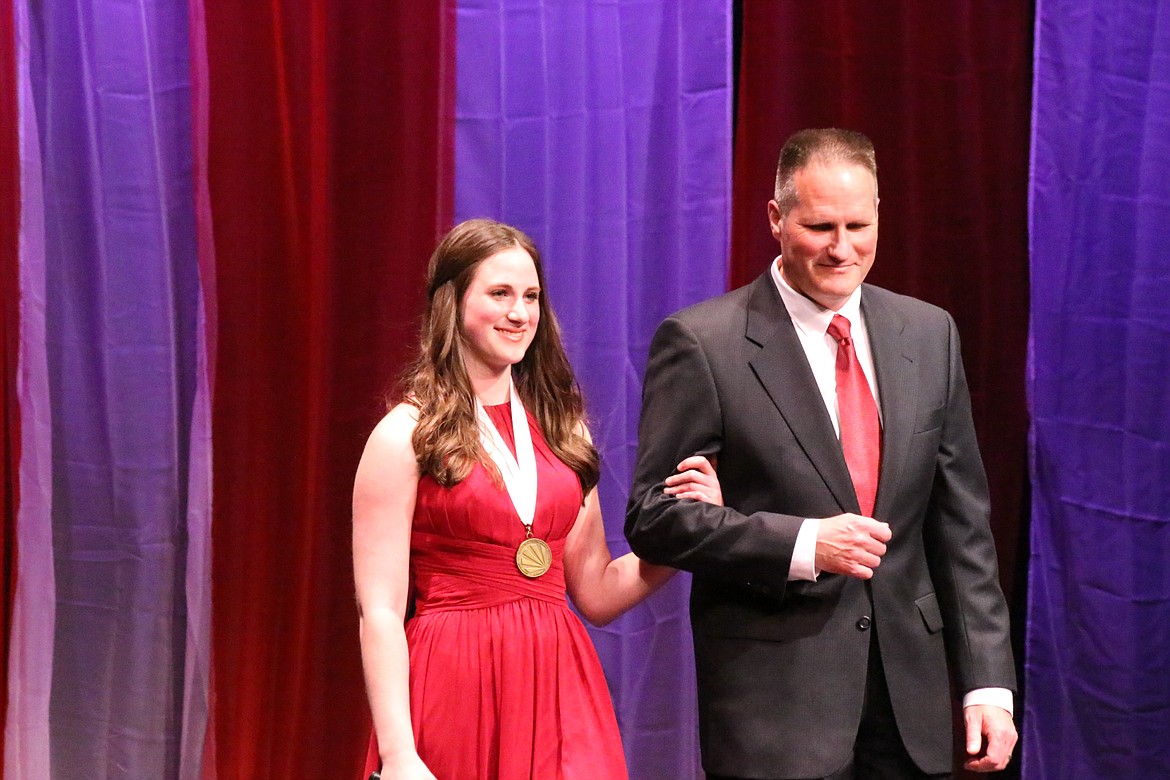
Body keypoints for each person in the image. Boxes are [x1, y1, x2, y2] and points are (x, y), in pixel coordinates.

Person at [625, 128, 1018, 779]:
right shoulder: (704, 344)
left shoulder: (928, 332)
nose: (842, 249)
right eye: (820, 227)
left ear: (879, 215)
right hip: (776, 713)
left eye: (858, 225)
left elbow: (962, 529)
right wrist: (804, 544)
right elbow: (653, 520)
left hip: (909, 710)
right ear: (777, 219)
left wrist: (987, 687)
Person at [352, 218, 722, 780]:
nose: (520, 313)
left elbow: (596, 591)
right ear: (452, 303)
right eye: (499, 294)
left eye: (531, 296)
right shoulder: (405, 435)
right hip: (453, 681)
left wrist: (694, 531)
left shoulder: (563, 429)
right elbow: (377, 610)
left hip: (559, 685)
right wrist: (400, 754)